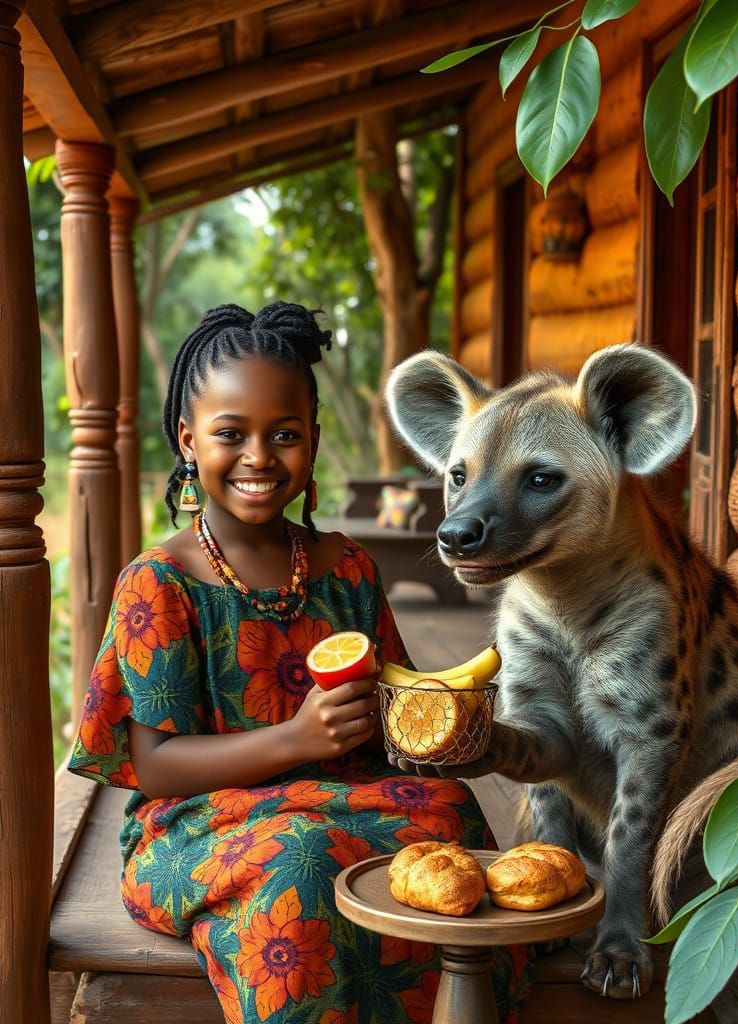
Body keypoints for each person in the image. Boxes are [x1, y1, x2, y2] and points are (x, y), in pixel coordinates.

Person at [68, 301, 531, 1023]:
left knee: (450, 816)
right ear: (188, 441)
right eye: (231, 434)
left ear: (313, 439)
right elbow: (155, 766)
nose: (259, 456)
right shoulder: (158, 584)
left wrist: (435, 722)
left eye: (284, 434)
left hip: (347, 797)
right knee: (301, 863)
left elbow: (391, 711)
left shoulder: (347, 568)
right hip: (201, 822)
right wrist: (296, 739)